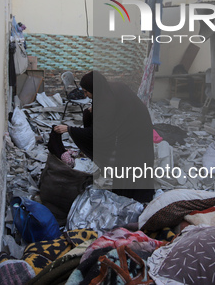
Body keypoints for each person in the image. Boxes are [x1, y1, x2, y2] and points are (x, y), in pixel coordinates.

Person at [53, 71, 154, 203]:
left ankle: (134, 197)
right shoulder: (107, 89)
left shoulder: (107, 101)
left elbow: (98, 134)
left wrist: (69, 129)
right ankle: (126, 193)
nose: (85, 95)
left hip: (136, 129)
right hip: (135, 122)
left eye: (86, 91)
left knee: (132, 160)